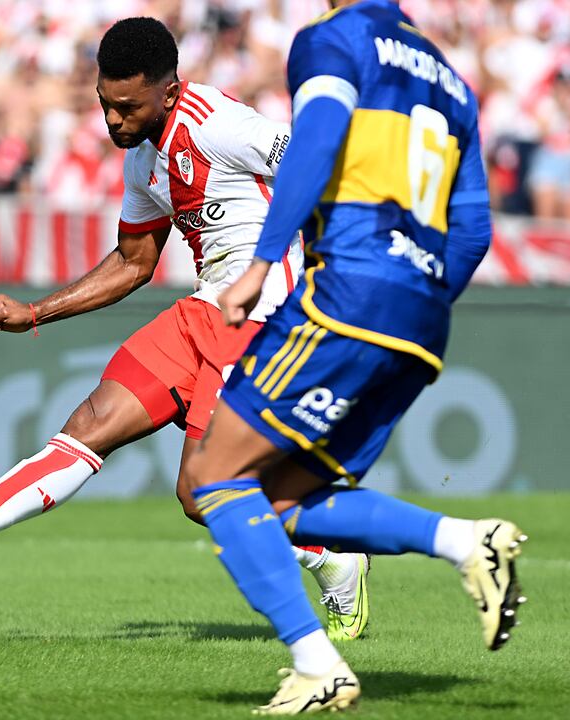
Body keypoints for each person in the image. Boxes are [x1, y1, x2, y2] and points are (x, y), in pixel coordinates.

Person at [0, 17, 372, 642]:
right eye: (105, 106)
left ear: (167, 89)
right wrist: (36, 312)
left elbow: (315, 164)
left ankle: (332, 557)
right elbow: (134, 263)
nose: (113, 122)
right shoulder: (143, 161)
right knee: (90, 424)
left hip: (261, 320)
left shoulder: (220, 126)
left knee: (200, 494)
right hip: (204, 311)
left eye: (127, 108)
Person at [177, 1, 526, 713]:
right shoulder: (451, 80)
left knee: (212, 476)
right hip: (420, 315)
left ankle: (317, 664)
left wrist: (263, 261)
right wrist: (417, 298)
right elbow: (474, 230)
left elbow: (321, 133)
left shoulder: (332, 40)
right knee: (281, 499)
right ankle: (468, 541)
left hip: (351, 289)